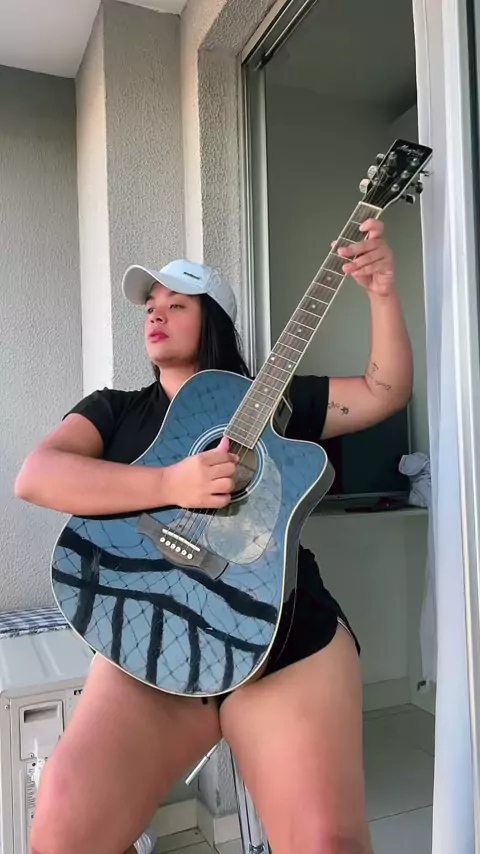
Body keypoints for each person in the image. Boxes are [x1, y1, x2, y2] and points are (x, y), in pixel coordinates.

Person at [16, 218, 412, 854]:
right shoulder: (113, 409)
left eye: (178, 304)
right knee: (64, 825)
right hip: (152, 637)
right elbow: (38, 476)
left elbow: (381, 392)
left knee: (327, 844)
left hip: (282, 637)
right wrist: (172, 482)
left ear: (216, 321)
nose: (156, 313)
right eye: (151, 304)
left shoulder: (275, 401)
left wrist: (383, 296)